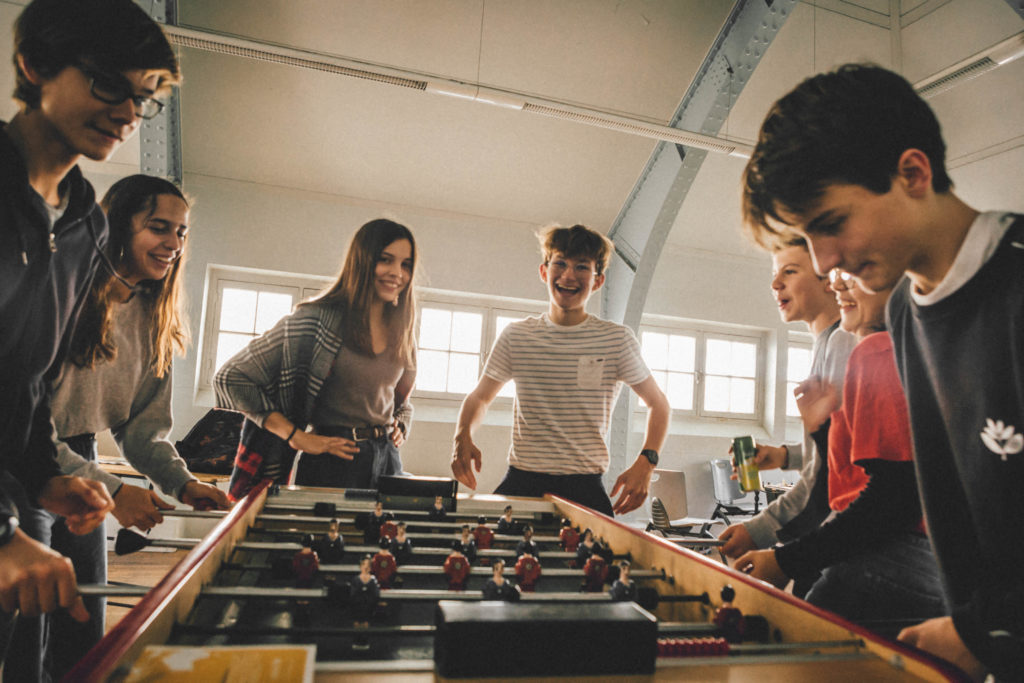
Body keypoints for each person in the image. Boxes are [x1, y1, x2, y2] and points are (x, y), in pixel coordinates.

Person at [741, 62, 1023, 679]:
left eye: (832, 224)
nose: (825, 262)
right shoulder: (903, 313)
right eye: (808, 239)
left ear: (913, 173)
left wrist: (991, 632)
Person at [0, 0, 179, 666]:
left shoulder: (85, 225)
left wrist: (47, 474)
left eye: (143, 97)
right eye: (110, 84)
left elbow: (27, 387)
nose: (129, 112)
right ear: (34, 64)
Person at [12, 175, 230, 679]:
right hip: (25, 462)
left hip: (81, 456)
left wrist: (183, 481)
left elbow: (144, 431)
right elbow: (26, 424)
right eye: (159, 227)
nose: (173, 244)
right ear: (116, 226)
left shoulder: (155, 313)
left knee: (83, 628)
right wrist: (114, 490)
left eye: (181, 233)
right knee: (27, 638)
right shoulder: (63, 294)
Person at [733, 269, 943, 626]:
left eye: (855, 271)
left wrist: (787, 560)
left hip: (886, 560)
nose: (836, 284)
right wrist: (823, 430)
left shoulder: (878, 351)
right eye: (833, 274)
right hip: (919, 565)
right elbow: (864, 477)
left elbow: (893, 500)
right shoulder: (913, 349)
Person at [451, 224, 670, 516]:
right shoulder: (517, 335)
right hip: (523, 479)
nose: (568, 276)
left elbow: (659, 404)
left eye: (581, 267)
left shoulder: (616, 340)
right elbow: (480, 398)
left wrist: (646, 462)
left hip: (585, 487)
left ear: (597, 281)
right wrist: (462, 435)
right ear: (544, 271)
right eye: (560, 264)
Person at [215, 219, 418, 498]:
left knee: (382, 541)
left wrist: (402, 426)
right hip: (332, 462)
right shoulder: (314, 320)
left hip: (388, 460)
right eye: (386, 260)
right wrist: (297, 437)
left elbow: (399, 402)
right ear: (362, 261)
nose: (397, 273)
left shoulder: (402, 329)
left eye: (406, 264)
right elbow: (231, 378)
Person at [719, 238, 855, 571]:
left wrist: (759, 530)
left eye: (789, 272)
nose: (775, 284)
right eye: (775, 273)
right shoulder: (828, 343)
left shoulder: (844, 343)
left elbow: (830, 475)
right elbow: (841, 445)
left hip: (848, 536)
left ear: (829, 277)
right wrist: (784, 456)